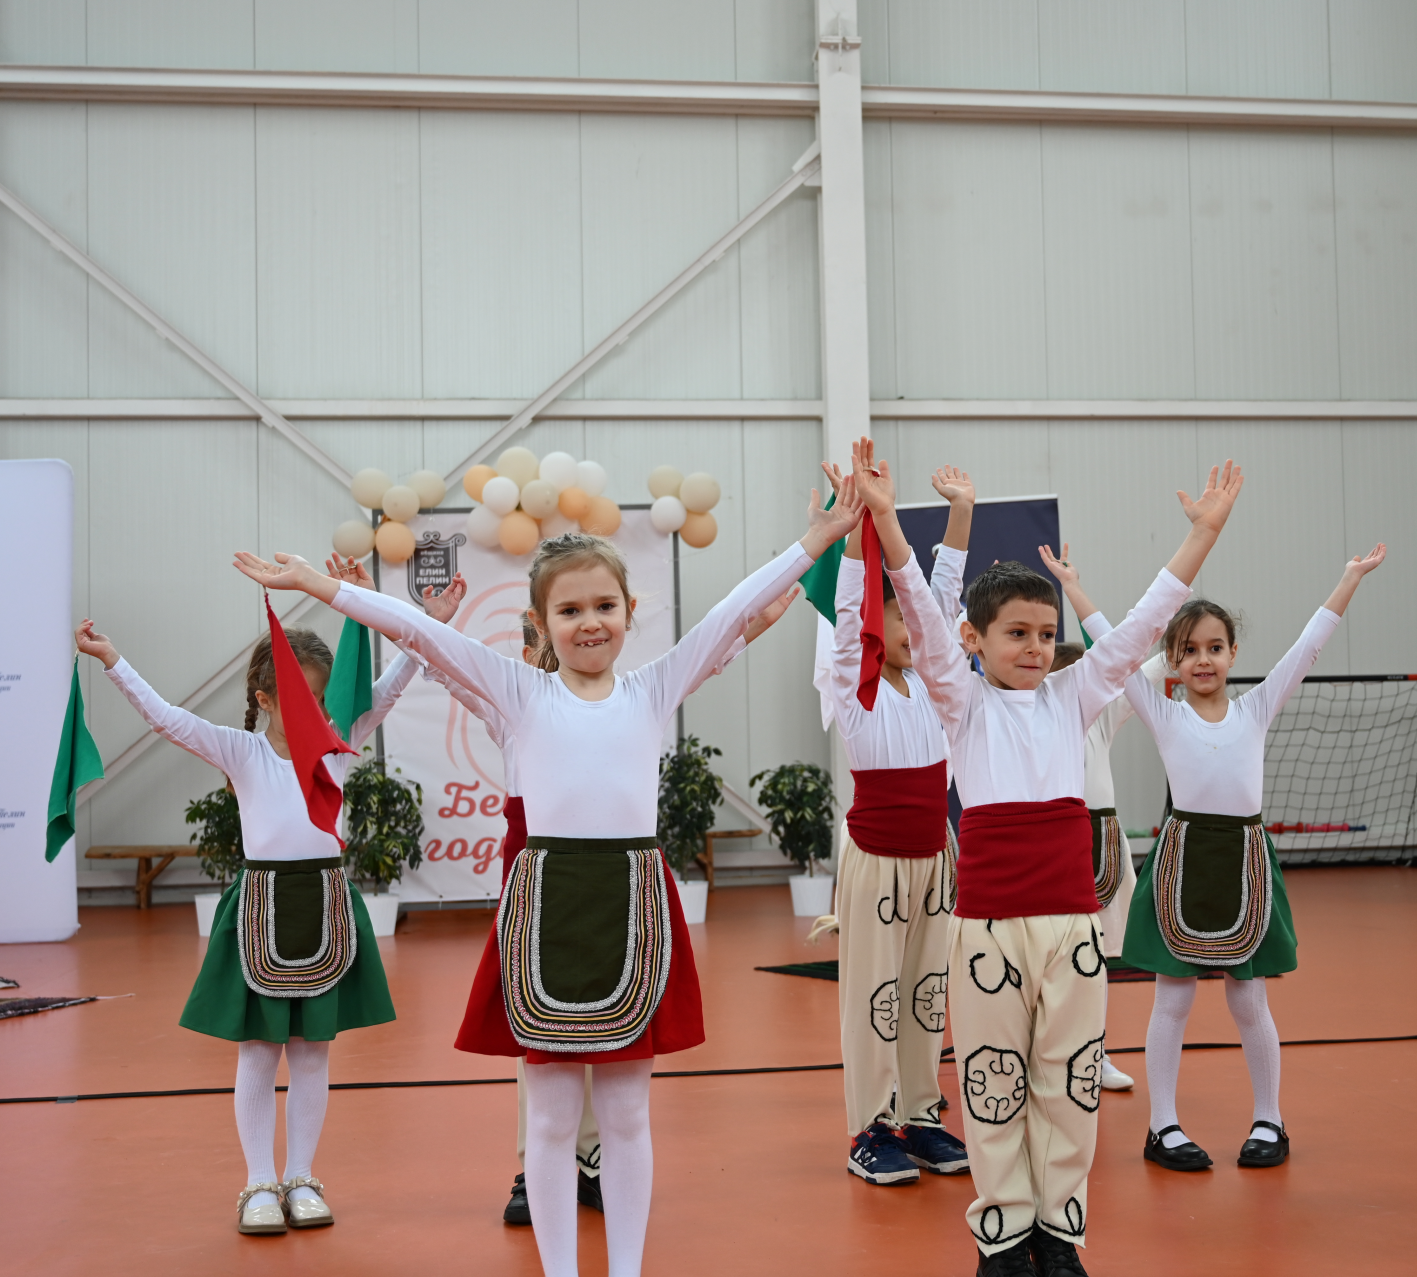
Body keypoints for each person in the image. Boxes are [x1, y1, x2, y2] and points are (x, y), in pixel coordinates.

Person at [236, 481, 861, 1277]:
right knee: (553, 1118)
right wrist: (321, 586)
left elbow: (734, 606)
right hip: (547, 911)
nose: (589, 621)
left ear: (630, 611)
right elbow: (414, 627)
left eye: (604, 605)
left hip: (632, 907)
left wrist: (817, 539)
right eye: (569, 610)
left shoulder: (655, 686)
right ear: (540, 622)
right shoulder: (517, 691)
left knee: (628, 1114)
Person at [850, 438, 1240, 1277]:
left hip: (1071, 926)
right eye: (1017, 633)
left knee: (1070, 1083)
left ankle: (1059, 1235)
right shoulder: (959, 700)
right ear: (974, 639)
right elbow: (916, 606)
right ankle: (1001, 1236)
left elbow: (1141, 625)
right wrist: (885, 522)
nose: (1035, 646)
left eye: (1046, 633)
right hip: (988, 928)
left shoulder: (1075, 693)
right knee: (992, 1083)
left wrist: (1201, 536)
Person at [365, 562, 798, 1227]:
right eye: (558, 624)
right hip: (537, 861)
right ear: (535, 639)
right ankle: (538, 1159)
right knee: (544, 1020)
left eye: (600, 610)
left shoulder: (622, 696)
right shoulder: (511, 702)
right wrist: (406, 615)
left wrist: (750, 630)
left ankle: (594, 1153)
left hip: (606, 858)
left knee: (614, 1013)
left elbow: (703, 660)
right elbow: (440, 660)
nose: (570, 638)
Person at [74, 568, 415, 1237]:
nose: (318, 708)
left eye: (323, 697)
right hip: (263, 909)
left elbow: (397, 679)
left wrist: (421, 617)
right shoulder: (241, 751)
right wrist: (113, 660)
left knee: (312, 1052)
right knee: (259, 1051)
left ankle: (303, 1177)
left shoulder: (340, 744)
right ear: (265, 697)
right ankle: (259, 1180)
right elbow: (166, 718)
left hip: (325, 908)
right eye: (302, 696)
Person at [1102, 544, 1384, 1174]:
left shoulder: (1257, 708)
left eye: (1215, 647)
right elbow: (1113, 654)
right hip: (1182, 865)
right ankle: (1162, 1125)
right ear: (1172, 661)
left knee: (1249, 1001)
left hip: (1244, 865)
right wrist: (1074, 588)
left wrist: (1348, 579)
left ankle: (1269, 1118)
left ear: (1232, 653)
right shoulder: (1162, 713)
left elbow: (1308, 647)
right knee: (1171, 1001)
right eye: (1189, 649)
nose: (1203, 659)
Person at [826, 465, 974, 1185]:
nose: (917, 629)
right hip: (877, 859)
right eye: (897, 619)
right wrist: (857, 527)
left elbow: (939, 596)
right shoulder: (853, 691)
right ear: (873, 627)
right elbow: (848, 614)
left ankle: (918, 1113)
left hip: (934, 856)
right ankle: (871, 1125)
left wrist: (961, 511)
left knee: (926, 992)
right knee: (875, 996)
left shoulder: (935, 687)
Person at [1036, 548, 1145, 1096]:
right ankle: (1043, 1054)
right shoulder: (1025, 718)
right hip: (1047, 841)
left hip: (1100, 842)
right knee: (1044, 956)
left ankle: (1092, 1053)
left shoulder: (1099, 720)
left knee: (1094, 956)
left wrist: (1075, 590)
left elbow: (1124, 661)